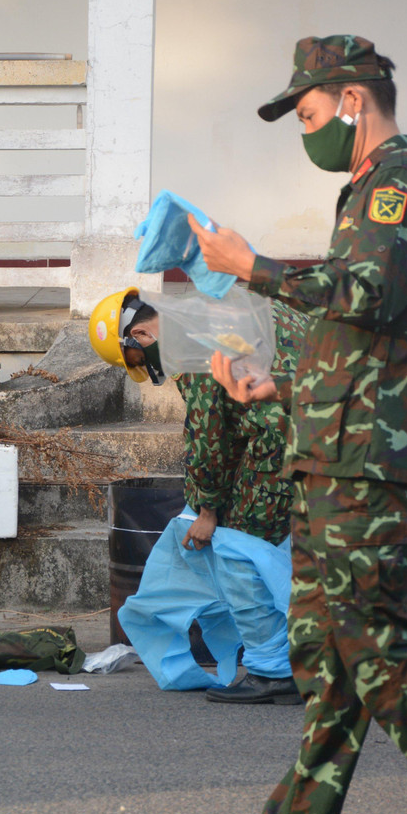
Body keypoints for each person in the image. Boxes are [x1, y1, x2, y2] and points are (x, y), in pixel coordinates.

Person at [193, 35, 407, 814]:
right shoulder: (363, 192)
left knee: (374, 646)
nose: (306, 133)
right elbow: (358, 341)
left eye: (308, 113)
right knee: (328, 656)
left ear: (353, 100)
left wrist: (251, 265)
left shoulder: (403, 182)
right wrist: (276, 386)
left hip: (370, 463)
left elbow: (365, 294)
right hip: (335, 452)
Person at [88, 287, 304, 703]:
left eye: (136, 359)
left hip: (280, 447)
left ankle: (273, 671)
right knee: (287, 549)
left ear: (142, 335)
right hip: (334, 437)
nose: (149, 369)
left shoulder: (195, 346)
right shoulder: (233, 308)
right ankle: (315, 655)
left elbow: (210, 438)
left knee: (238, 551)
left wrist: (208, 511)